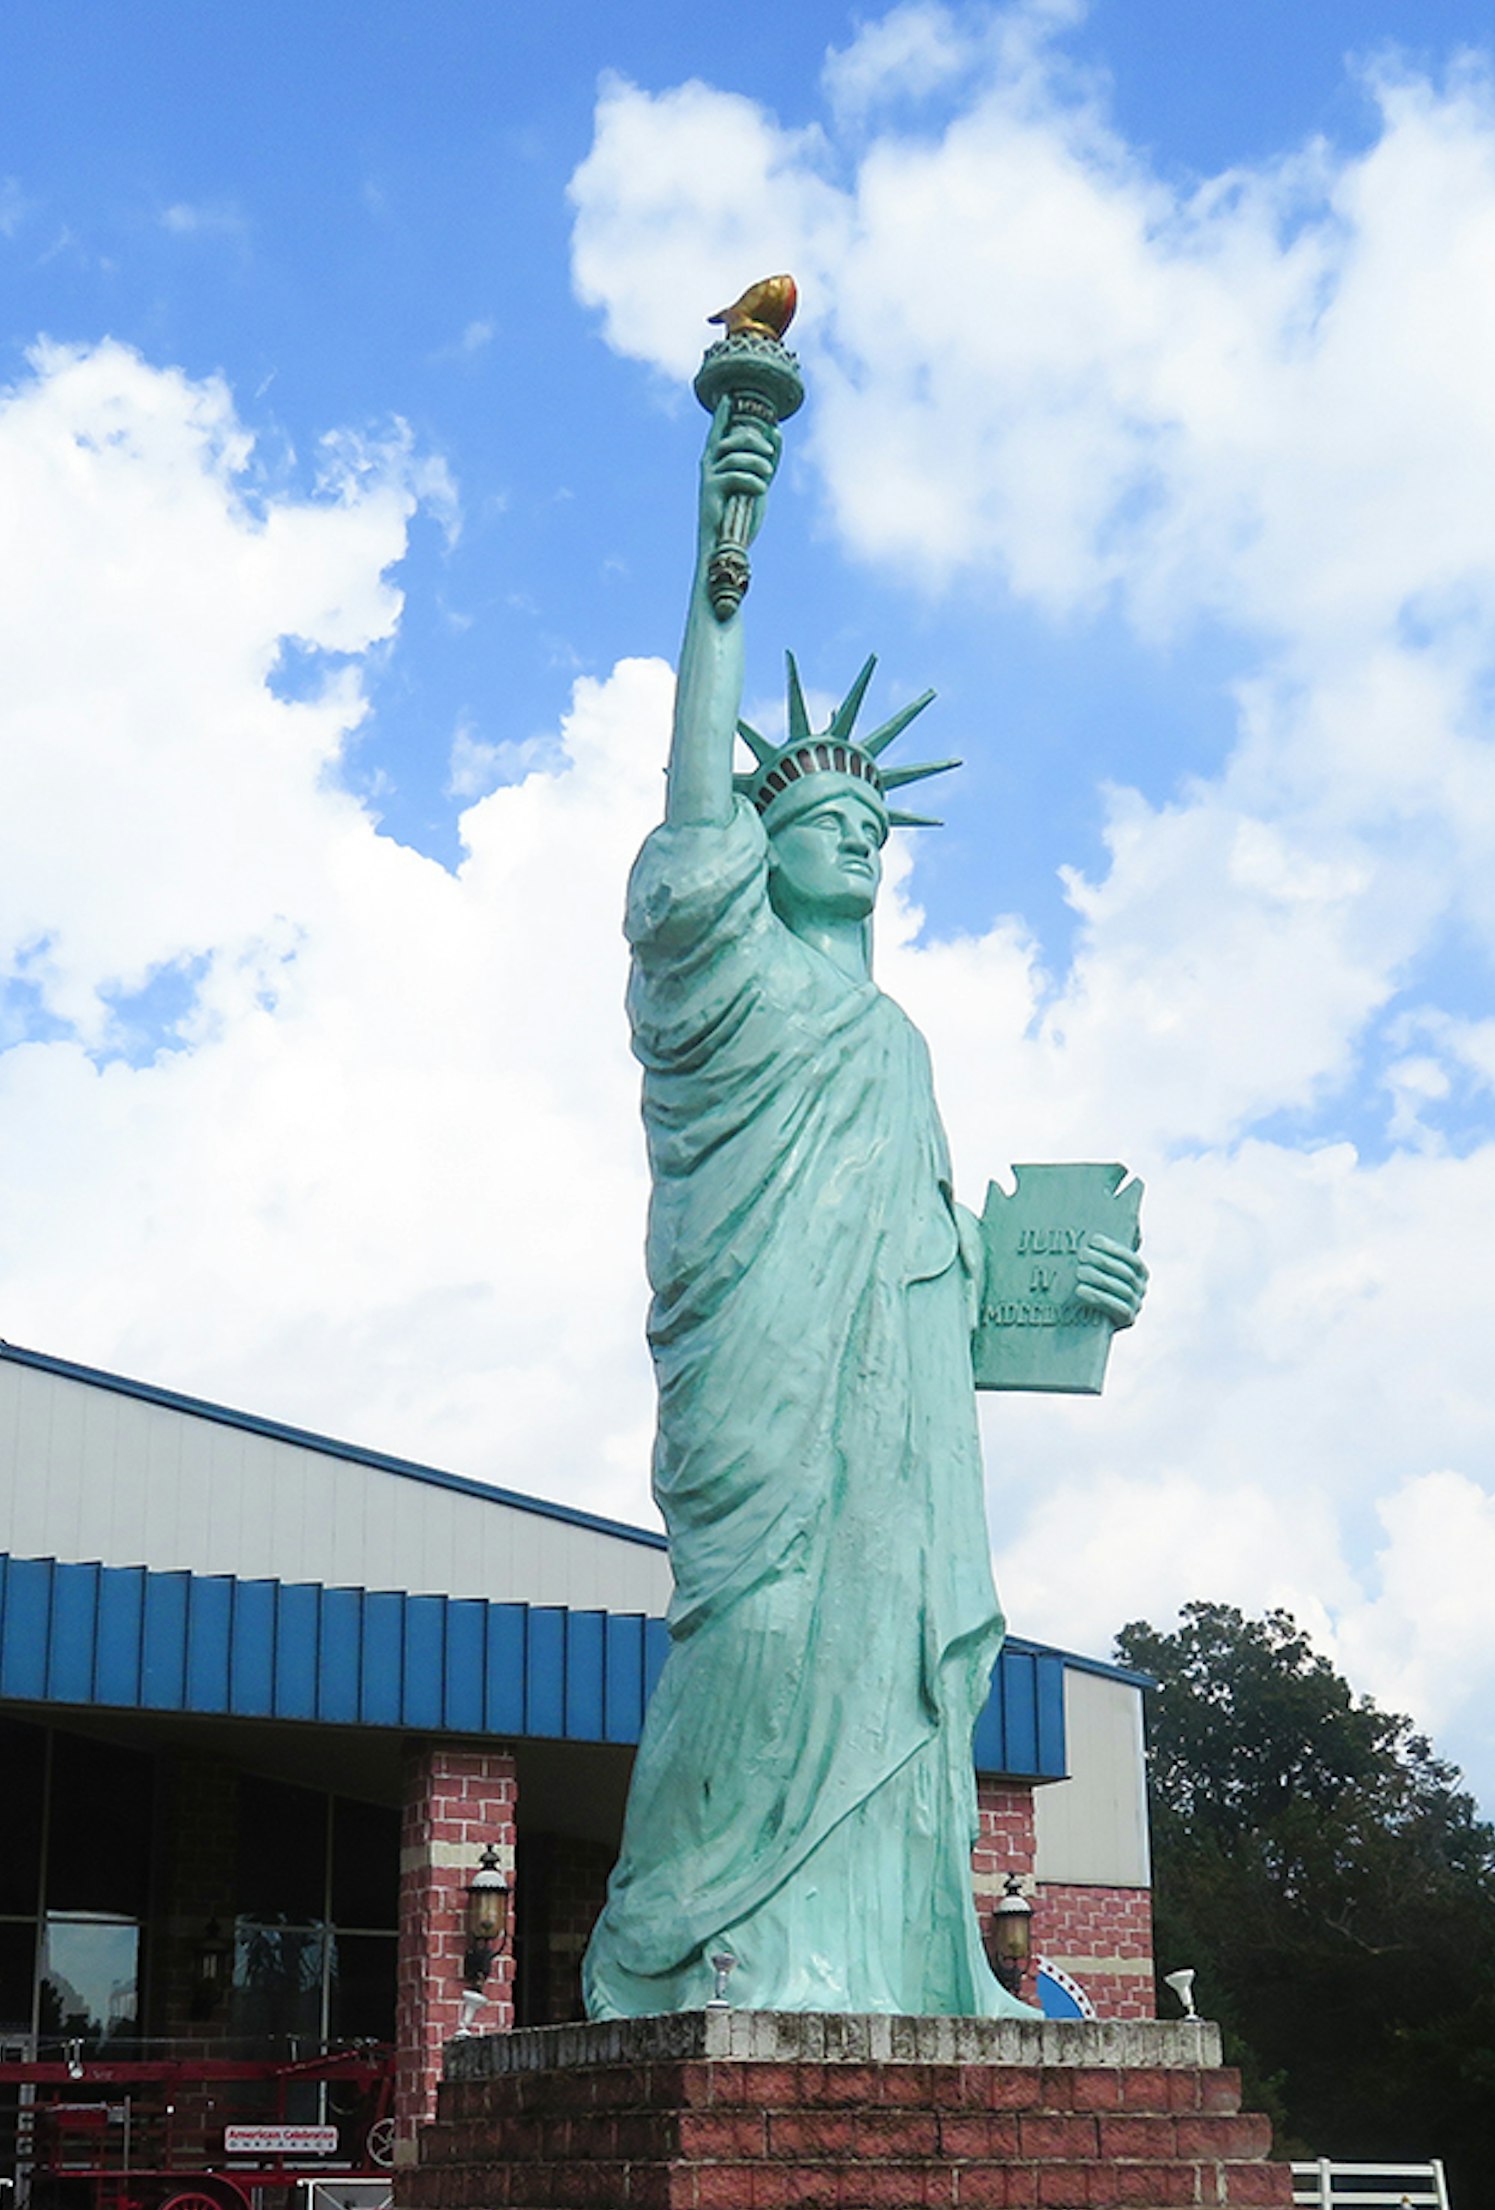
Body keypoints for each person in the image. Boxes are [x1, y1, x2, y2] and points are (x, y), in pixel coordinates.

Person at [582, 396, 1146, 2021]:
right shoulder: (729, 973)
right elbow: (696, 792)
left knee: (898, 1664)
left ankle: (903, 1948)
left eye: (876, 829)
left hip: (899, 1413)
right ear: (763, 849)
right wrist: (719, 558)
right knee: (752, 1635)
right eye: (826, 822)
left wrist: (1072, 1291)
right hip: (758, 1379)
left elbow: (944, 1289)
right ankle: (689, 1935)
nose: (861, 844)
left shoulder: (900, 1044)